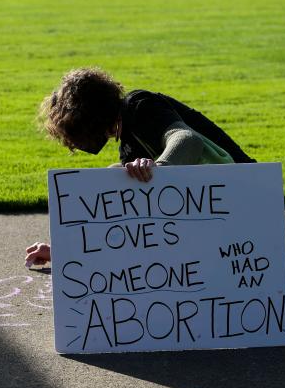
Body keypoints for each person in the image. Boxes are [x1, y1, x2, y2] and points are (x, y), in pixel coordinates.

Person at [25, 67, 255, 268]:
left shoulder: (140, 106)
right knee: (117, 174)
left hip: (245, 199)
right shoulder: (128, 146)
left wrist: (159, 168)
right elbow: (124, 225)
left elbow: (187, 140)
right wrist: (64, 252)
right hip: (220, 219)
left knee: (119, 174)